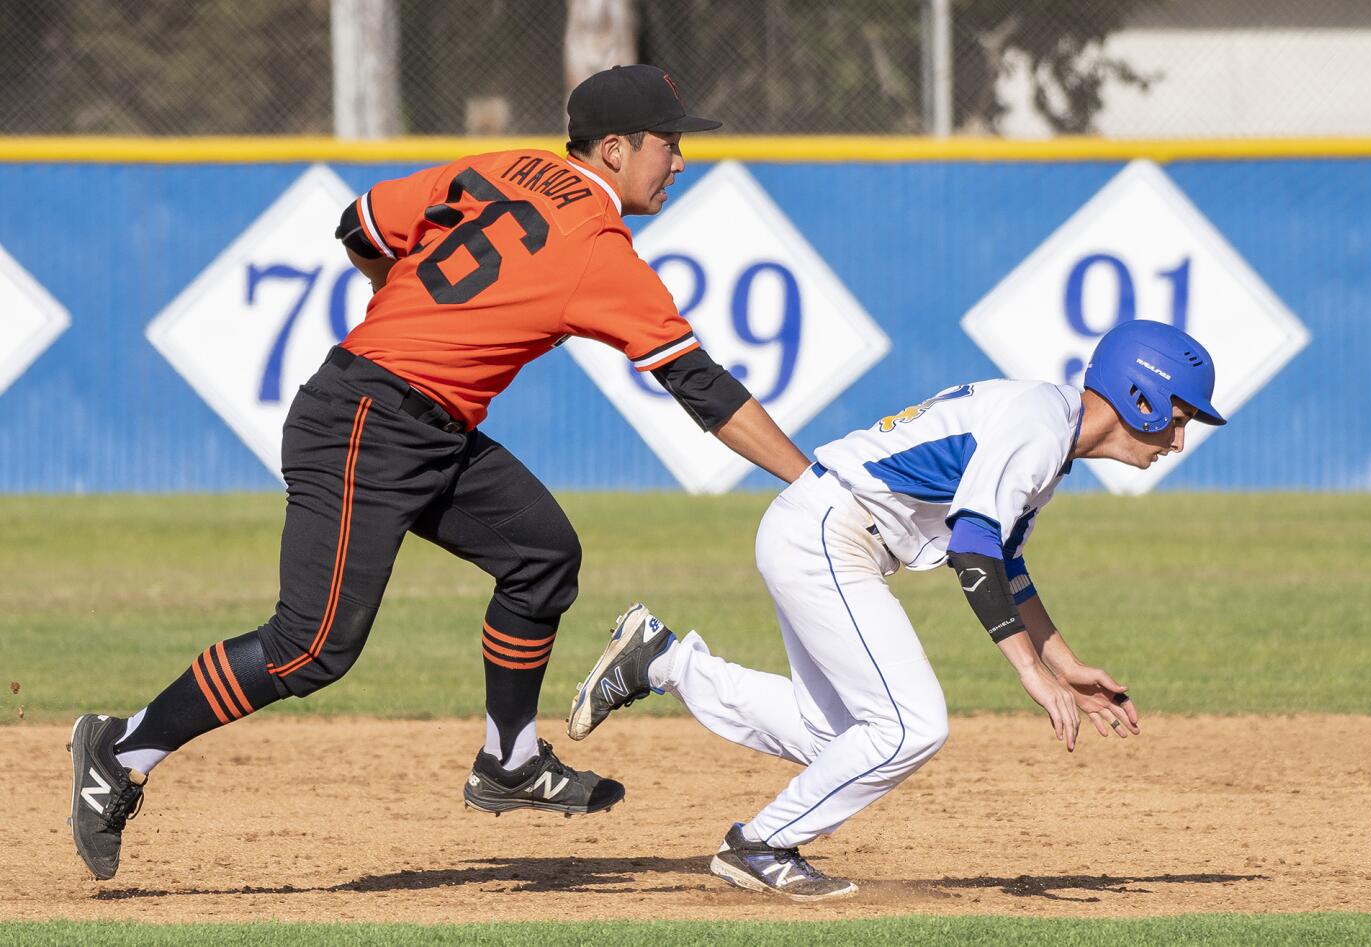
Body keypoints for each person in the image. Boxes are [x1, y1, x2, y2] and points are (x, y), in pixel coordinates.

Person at [66, 64, 812, 881]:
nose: (678, 161)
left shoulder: (499, 167)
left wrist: (402, 300)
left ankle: (510, 759)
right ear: (614, 147)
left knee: (540, 554)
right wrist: (809, 482)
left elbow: (362, 222)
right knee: (311, 645)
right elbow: (700, 385)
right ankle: (122, 747)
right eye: (668, 144)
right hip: (366, 422)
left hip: (420, 423)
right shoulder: (596, 248)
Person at [567, 320, 1225, 901]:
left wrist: (1066, 662)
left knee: (838, 739)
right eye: (1181, 413)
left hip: (824, 528)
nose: (1178, 435)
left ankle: (664, 660)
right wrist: (1029, 671)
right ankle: (759, 844)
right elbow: (973, 550)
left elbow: (1009, 567)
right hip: (831, 531)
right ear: (1140, 398)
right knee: (911, 724)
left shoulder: (1047, 433)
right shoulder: (1040, 425)